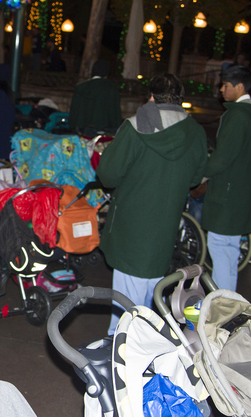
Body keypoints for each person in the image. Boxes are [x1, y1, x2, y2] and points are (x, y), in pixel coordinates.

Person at [96, 74, 207, 335]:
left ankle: (122, 353)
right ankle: (145, 345)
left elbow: (108, 174)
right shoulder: (196, 132)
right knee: (151, 296)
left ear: (152, 96)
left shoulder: (136, 127)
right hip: (166, 225)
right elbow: (195, 178)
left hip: (131, 226)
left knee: (126, 303)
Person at [201, 65, 251, 291]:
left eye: (226, 85)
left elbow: (223, 157)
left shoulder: (237, 115)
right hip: (242, 193)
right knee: (230, 251)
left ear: (240, 87)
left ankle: (221, 305)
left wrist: (201, 174)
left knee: (220, 248)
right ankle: (230, 302)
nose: (221, 89)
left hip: (227, 194)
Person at [68, 59, 122, 136]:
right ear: (106, 74)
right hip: (103, 132)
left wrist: (72, 127)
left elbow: (74, 111)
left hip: (81, 132)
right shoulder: (111, 90)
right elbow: (115, 115)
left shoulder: (80, 88)